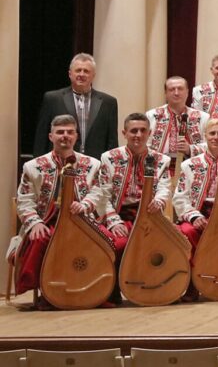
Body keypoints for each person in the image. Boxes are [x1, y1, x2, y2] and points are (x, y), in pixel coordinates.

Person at [13, 115, 107, 309]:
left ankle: (97, 291)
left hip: (82, 222)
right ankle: (47, 294)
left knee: (109, 242)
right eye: (60, 132)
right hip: (48, 221)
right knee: (40, 239)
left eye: (70, 132)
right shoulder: (32, 167)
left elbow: (99, 191)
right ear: (51, 136)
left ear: (76, 136)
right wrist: (35, 223)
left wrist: (85, 204)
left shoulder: (93, 164)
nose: (65, 136)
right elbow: (24, 200)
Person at [88, 113, 175, 257]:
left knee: (164, 245)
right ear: (124, 133)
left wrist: (159, 201)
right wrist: (114, 221)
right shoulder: (109, 157)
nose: (138, 135)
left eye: (143, 130)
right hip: (118, 213)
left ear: (149, 133)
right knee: (119, 245)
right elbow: (102, 195)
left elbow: (164, 188)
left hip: (149, 215)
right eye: (134, 131)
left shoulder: (161, 160)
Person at [173, 119, 218, 251]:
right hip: (198, 211)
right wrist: (194, 216)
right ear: (205, 136)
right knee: (188, 231)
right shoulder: (188, 165)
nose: (216, 137)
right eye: (212, 133)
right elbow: (180, 197)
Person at [33, 53, 118, 158]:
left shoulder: (108, 102)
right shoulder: (52, 99)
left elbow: (112, 141)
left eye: (86, 71)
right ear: (70, 74)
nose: (81, 74)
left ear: (93, 75)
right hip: (60, 162)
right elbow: (41, 138)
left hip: (96, 163)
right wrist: (39, 164)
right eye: (78, 70)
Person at [146, 77, 208, 160]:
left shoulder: (203, 117)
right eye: (172, 89)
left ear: (187, 92)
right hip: (159, 165)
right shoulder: (152, 115)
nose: (176, 93)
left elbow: (211, 146)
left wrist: (190, 149)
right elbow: (145, 144)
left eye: (180, 89)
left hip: (191, 165)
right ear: (165, 93)